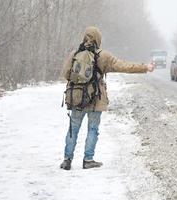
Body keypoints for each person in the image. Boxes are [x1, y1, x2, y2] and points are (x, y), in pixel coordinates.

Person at [60, 26, 154, 170]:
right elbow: (123, 66)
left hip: (77, 98)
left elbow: (66, 74)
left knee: (73, 128)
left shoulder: (74, 53)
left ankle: (67, 160)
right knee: (92, 129)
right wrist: (144, 67)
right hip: (95, 100)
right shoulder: (103, 56)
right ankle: (88, 160)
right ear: (98, 39)